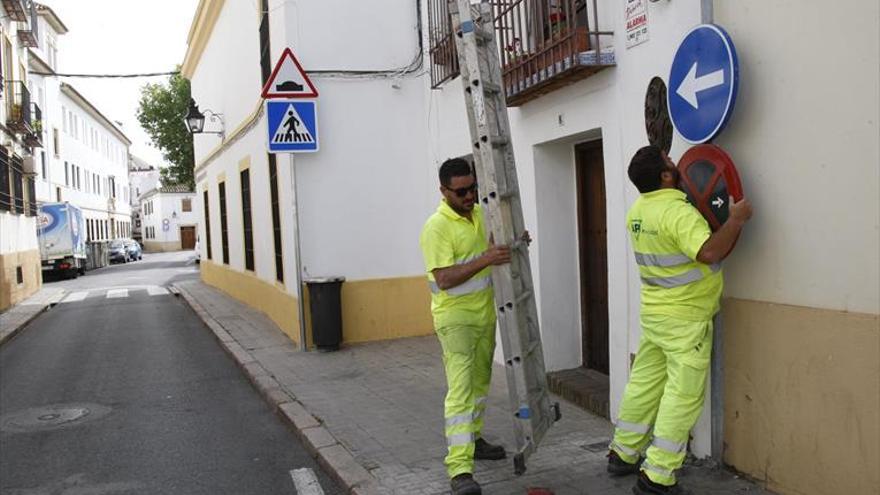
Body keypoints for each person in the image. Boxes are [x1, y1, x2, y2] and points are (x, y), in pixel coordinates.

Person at [608, 145, 752, 495]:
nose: (679, 168)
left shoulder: (637, 212)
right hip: (686, 318)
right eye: (672, 164)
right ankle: (657, 475)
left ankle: (623, 453)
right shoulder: (678, 213)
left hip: (655, 314)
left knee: (643, 384)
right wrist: (735, 219)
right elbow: (709, 252)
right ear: (665, 176)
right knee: (682, 395)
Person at [419, 158, 510, 495]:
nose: (470, 196)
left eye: (473, 188)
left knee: (480, 383)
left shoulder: (477, 214)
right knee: (460, 390)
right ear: (444, 191)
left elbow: (490, 247)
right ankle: (460, 469)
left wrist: (512, 243)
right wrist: (487, 259)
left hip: (483, 316)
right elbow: (444, 279)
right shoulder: (436, 227)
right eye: (461, 192)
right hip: (455, 320)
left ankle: (473, 438)